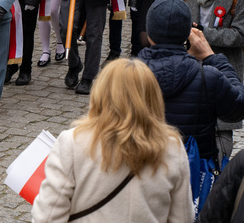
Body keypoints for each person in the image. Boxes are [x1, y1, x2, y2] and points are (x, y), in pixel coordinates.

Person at [31, 59, 194, 223]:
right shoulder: (172, 146)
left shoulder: (73, 142)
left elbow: (47, 217)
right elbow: (183, 217)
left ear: (100, 92)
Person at [139, 0, 244, 163]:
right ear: (186, 34)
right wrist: (211, 57)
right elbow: (238, 107)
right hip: (193, 175)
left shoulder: (125, 74)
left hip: (142, 167)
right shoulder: (208, 76)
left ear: (150, 33)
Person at [180, 0, 244, 158]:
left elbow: (239, 36)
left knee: (220, 146)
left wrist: (204, 35)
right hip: (191, 72)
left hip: (223, 71)